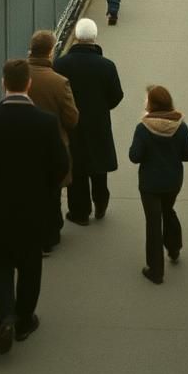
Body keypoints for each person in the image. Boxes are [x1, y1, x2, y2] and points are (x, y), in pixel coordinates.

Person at [0, 58, 69, 354]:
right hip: (34, 209)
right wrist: (44, 190)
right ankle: (24, 321)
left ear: (3, 83)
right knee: (30, 264)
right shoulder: (46, 123)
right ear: (29, 85)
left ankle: (4, 318)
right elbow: (61, 165)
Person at [54, 17, 124, 224]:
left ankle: (80, 212)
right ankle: (101, 202)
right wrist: (102, 108)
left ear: (76, 37)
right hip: (98, 122)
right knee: (98, 164)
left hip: (72, 123)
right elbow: (116, 95)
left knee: (77, 166)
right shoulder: (107, 66)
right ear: (94, 38)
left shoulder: (61, 64)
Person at [128, 85, 188, 284]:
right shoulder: (180, 126)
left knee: (153, 222)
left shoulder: (143, 128)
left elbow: (134, 156)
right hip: (173, 181)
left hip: (150, 184)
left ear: (152, 104)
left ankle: (156, 270)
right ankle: (174, 247)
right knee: (168, 209)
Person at [27, 30, 79, 251]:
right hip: (53, 145)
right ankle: (49, 238)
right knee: (52, 192)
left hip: (26, 146)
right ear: (50, 52)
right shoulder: (59, 82)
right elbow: (72, 118)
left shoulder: (19, 75)